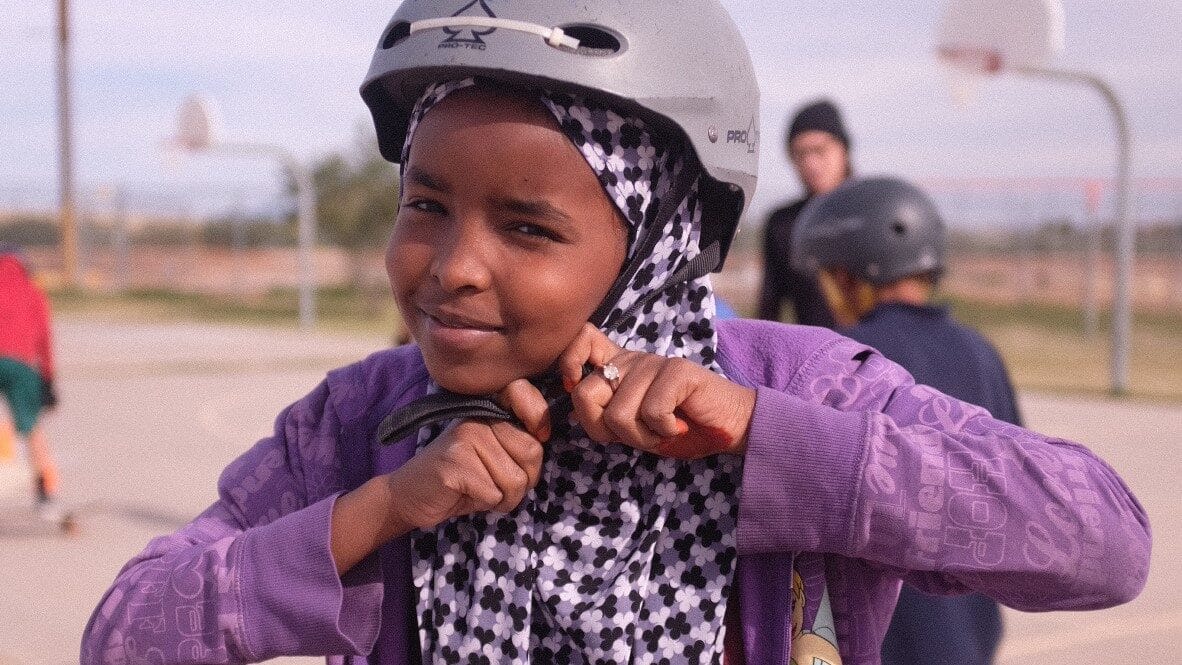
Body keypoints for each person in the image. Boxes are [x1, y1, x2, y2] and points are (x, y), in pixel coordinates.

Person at [82, 2, 1150, 664]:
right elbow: (124, 633)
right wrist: (382, 506)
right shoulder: (364, 421)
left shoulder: (798, 389)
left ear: (658, 238)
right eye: (425, 204)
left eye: (530, 225)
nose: (452, 265)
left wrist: (764, 438)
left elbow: (1101, 540)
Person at [792, 176, 1022, 664]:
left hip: (889, 636)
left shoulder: (846, 361)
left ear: (847, 275)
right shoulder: (982, 353)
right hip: (970, 631)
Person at [757, 99, 852, 328]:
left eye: (820, 150)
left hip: (879, 356)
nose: (810, 163)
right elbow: (770, 309)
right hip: (817, 358)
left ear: (844, 150)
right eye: (800, 154)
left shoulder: (875, 213)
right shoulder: (783, 224)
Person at [0, 243, 63, 520]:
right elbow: (44, 339)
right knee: (31, 427)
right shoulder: (33, 291)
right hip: (21, 363)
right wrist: (48, 380)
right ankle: (45, 495)